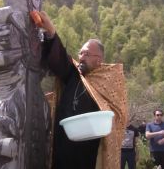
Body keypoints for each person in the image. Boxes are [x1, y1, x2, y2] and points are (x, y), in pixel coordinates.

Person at [36, 11, 128, 169]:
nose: (81, 57)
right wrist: (51, 32)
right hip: (64, 144)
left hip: (90, 149)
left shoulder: (109, 80)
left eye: (86, 54)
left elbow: (119, 113)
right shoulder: (73, 74)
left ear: (98, 60)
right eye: (80, 53)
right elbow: (60, 59)